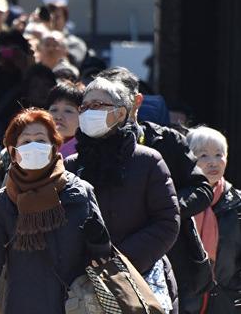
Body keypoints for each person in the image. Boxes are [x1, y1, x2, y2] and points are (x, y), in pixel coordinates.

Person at [0, 108, 110, 314]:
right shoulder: (3, 202)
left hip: (74, 306)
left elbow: (102, 260)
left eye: (41, 140)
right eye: (26, 142)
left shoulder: (80, 193)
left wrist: (99, 242)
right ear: (13, 152)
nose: (33, 146)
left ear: (54, 147)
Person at [100, 66, 214, 304]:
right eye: (100, 102)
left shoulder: (167, 140)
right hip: (111, 260)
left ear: (137, 101)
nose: (109, 108)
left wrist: (167, 210)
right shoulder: (90, 147)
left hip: (170, 255)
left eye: (117, 99)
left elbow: (202, 189)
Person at [64, 77, 180, 312]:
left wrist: (118, 260)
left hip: (141, 277)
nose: (88, 112)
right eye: (84, 107)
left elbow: (168, 221)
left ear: (120, 113)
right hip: (83, 282)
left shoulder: (148, 161)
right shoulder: (71, 165)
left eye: (97, 105)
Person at [187, 126, 241, 313]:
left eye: (219, 155)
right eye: (203, 155)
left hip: (228, 302)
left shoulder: (237, 202)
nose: (213, 162)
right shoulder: (178, 202)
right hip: (185, 302)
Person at [47, 81, 84, 157]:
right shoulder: (36, 146)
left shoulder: (86, 152)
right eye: (54, 110)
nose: (58, 117)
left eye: (68, 111)